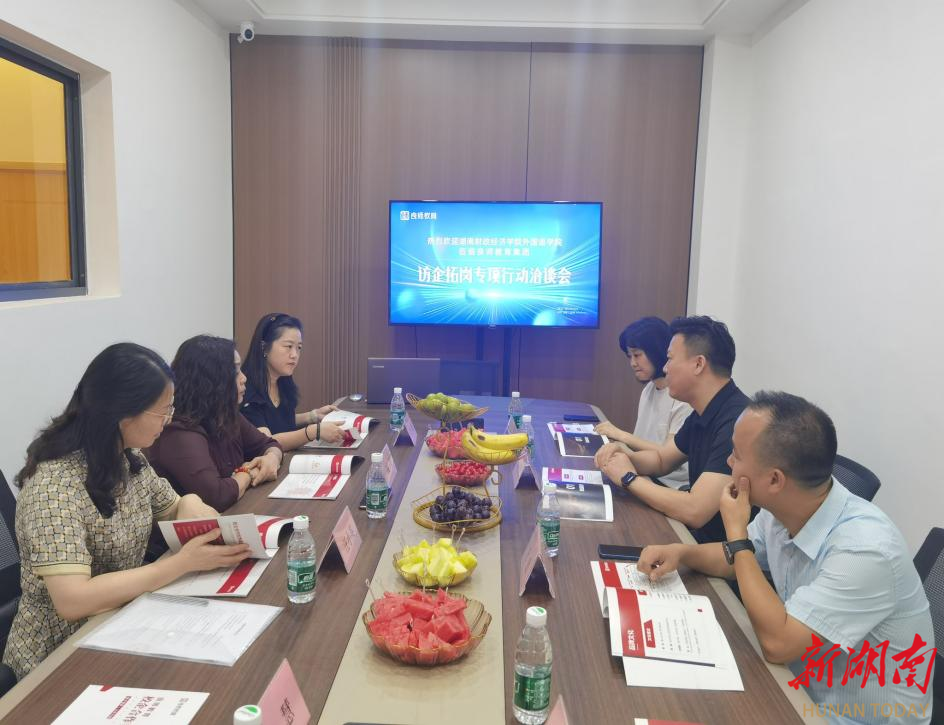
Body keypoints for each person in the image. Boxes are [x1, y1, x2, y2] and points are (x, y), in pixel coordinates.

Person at [637, 392, 933, 725]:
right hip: (795, 688)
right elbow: (734, 559)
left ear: (775, 480)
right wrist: (683, 552)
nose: (729, 462)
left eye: (736, 455)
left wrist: (736, 531)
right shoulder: (785, 509)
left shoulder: (865, 551)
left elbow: (778, 644)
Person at [2, 343, 251, 680]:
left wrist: (189, 502)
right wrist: (181, 563)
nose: (169, 419)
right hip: (59, 657)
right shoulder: (53, 487)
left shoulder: (127, 458)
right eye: (162, 411)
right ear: (123, 414)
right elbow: (73, 600)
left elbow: (172, 506)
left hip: (121, 623)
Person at [595, 315, 749, 543]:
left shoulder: (737, 422)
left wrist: (628, 477)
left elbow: (695, 510)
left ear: (698, 364)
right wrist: (622, 457)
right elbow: (661, 460)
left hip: (719, 550)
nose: (665, 368)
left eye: (669, 359)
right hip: (695, 538)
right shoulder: (702, 411)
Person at [146, 335, 283, 512]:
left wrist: (271, 458)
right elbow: (217, 496)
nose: (244, 378)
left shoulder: (224, 413)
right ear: (209, 380)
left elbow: (269, 444)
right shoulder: (178, 432)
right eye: (235, 371)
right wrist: (248, 473)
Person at [593, 316, 691, 488]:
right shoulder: (649, 389)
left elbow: (667, 456)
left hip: (668, 485)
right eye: (629, 356)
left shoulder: (683, 398)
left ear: (657, 351)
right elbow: (640, 446)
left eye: (637, 355)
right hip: (642, 472)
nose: (633, 363)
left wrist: (621, 435)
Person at [240, 312, 344, 450]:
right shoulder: (246, 389)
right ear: (264, 347)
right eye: (288, 346)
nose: (294, 355)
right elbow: (266, 442)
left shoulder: (282, 381)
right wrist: (314, 431)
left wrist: (312, 416)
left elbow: (277, 421)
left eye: (298, 348)